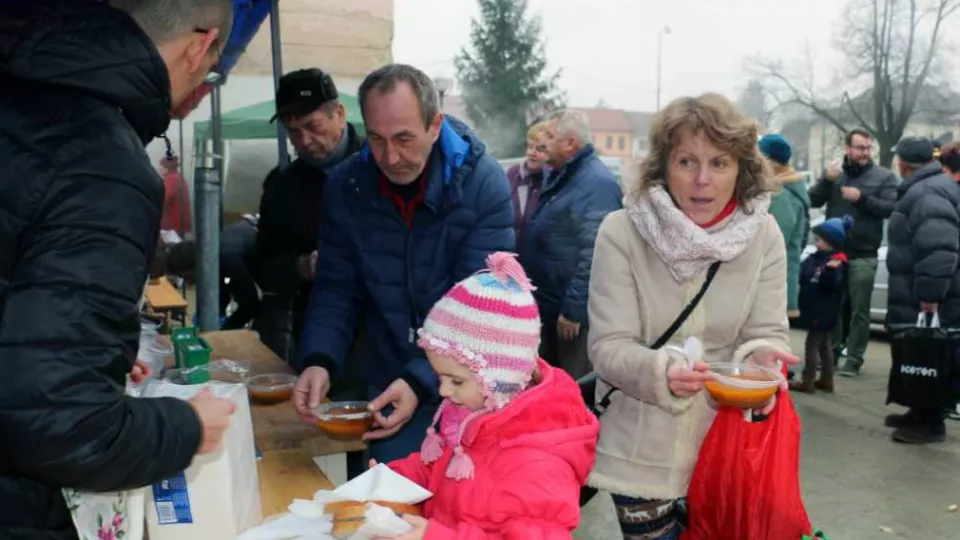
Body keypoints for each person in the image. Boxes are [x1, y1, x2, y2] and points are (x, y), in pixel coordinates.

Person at [0, 1, 237, 538]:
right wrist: (186, 426)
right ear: (199, 46)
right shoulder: (101, 158)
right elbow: (63, 426)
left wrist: (92, 354)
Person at [586, 94, 798, 539]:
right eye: (687, 162)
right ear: (663, 165)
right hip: (640, 453)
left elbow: (766, 332)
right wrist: (661, 372)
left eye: (720, 163)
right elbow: (608, 346)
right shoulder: (622, 231)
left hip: (725, 450)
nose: (703, 180)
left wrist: (764, 363)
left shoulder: (763, 234)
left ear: (741, 169)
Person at [293, 64, 514, 465]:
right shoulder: (348, 186)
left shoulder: (484, 185)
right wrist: (319, 359)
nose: (390, 157)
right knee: (383, 504)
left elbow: (479, 307)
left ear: (435, 125)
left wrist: (420, 379)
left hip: (467, 387)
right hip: (384, 376)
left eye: (404, 139)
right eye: (376, 139)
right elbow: (337, 287)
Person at [383, 252, 599, 539]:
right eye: (440, 377)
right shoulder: (470, 416)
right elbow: (436, 468)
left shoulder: (539, 465)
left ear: (501, 380)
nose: (443, 391)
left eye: (456, 381)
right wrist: (389, 482)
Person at [254, 68, 365, 361]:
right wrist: (300, 266)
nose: (303, 141)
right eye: (292, 131)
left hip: (386, 330)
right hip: (317, 333)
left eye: (312, 125)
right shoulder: (281, 185)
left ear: (339, 114)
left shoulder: (383, 164)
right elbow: (263, 265)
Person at [518, 109, 622, 380]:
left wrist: (573, 311)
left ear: (571, 144)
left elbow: (595, 252)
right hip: (551, 305)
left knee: (572, 384)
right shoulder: (564, 175)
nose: (543, 142)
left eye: (551, 137)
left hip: (571, 318)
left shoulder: (596, 183)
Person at [883, 137, 960, 444]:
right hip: (915, 291)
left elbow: (938, 248)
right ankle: (918, 411)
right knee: (918, 352)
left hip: (927, 296)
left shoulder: (927, 193)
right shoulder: (928, 188)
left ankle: (931, 422)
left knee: (930, 354)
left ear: (901, 164)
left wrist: (930, 295)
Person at [808, 129, 898, 377]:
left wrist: (862, 198)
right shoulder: (837, 176)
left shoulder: (883, 177)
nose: (865, 153)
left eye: (868, 148)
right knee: (833, 306)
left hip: (864, 253)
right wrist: (826, 180)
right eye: (860, 148)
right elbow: (813, 201)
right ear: (848, 149)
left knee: (859, 310)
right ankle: (832, 354)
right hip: (836, 253)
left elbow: (891, 208)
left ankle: (854, 359)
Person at [791, 217, 854, 394]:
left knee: (811, 345)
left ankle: (807, 381)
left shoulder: (837, 262)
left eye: (820, 240)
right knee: (824, 345)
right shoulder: (815, 258)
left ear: (830, 242)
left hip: (823, 311)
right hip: (814, 309)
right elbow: (803, 275)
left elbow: (831, 286)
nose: (817, 243)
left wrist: (830, 271)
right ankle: (827, 379)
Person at [165, 218, 261, 330]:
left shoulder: (227, 260)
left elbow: (250, 306)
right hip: (254, 245)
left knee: (269, 320)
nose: (189, 283)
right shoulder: (211, 253)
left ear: (195, 266)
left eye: (188, 277)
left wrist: (225, 330)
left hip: (278, 258)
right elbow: (224, 289)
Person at [759, 134, 810, 319]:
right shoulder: (779, 189)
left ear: (771, 162)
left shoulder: (782, 194)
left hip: (772, 286)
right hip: (774, 283)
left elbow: (773, 244)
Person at [506, 122, 549, 247]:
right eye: (530, 147)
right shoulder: (513, 174)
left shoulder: (553, 181)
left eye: (540, 149)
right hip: (510, 256)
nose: (532, 153)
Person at [159, 146, 193, 235]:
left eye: (161, 167)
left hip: (172, 225)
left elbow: (165, 199)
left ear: (166, 167)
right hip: (180, 224)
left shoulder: (171, 179)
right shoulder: (179, 178)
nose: (160, 169)